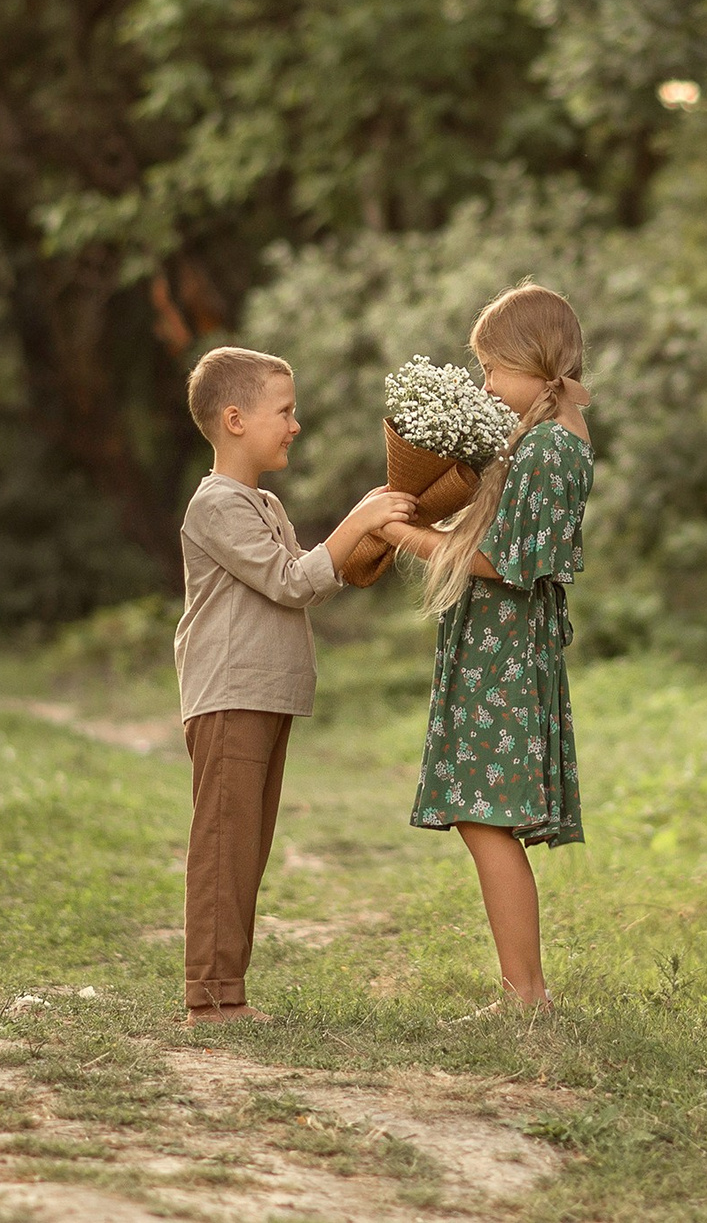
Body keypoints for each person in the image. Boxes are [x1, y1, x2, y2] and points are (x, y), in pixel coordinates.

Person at [174, 346, 411, 1023]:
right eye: (285, 410)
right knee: (224, 844)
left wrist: (376, 528)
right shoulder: (217, 504)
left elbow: (307, 579)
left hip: (266, 693)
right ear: (235, 419)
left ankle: (227, 991)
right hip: (230, 694)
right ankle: (212, 998)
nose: (295, 424)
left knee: (246, 845)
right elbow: (290, 579)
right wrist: (358, 522)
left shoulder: (264, 502)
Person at [380, 284, 593, 1013]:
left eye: (494, 368)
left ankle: (525, 995)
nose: (486, 385)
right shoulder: (544, 440)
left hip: (503, 651)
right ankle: (524, 991)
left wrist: (403, 533)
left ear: (535, 365)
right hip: (496, 645)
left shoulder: (549, 447)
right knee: (483, 814)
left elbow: (504, 562)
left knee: (484, 814)